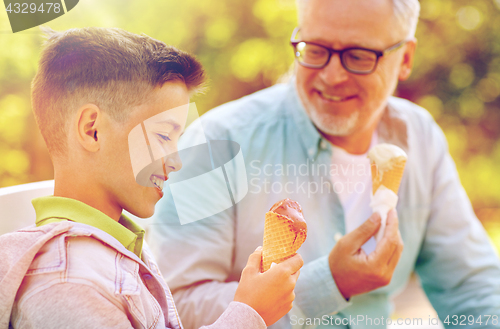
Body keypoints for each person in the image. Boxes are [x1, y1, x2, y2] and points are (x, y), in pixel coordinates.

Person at [149, 0, 500, 328]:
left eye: (359, 56)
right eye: (315, 50)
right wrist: (328, 283)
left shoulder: (420, 137)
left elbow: (470, 286)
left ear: (405, 57)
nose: (332, 76)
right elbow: (174, 304)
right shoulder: (214, 143)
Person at [0, 27, 304, 329]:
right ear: (92, 130)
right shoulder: (67, 284)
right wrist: (250, 315)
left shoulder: (117, 246)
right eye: (163, 135)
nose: (176, 162)